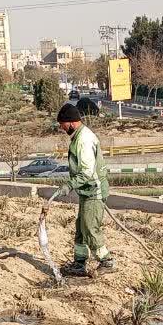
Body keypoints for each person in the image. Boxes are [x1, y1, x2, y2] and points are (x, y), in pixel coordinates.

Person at [51, 102, 114, 276]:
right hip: (87, 191)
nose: (61, 128)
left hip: (94, 190)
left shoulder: (84, 140)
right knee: (80, 227)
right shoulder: (79, 136)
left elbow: (86, 172)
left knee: (89, 227)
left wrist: (69, 185)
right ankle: (79, 263)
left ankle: (106, 261)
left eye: (62, 124)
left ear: (71, 122)